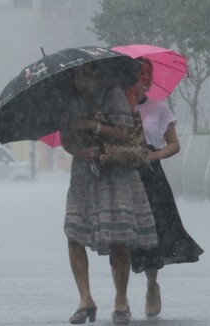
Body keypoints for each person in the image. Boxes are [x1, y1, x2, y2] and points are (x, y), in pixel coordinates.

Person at [60, 63, 158, 325]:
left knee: (119, 239)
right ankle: (85, 299)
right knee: (74, 234)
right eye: (75, 75)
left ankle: (121, 300)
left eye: (83, 73)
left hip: (115, 174)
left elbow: (123, 132)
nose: (80, 80)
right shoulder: (70, 100)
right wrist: (79, 151)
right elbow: (65, 138)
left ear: (94, 73)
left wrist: (93, 126)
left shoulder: (113, 94)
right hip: (82, 177)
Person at [125, 59, 203, 318]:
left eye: (148, 74)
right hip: (123, 174)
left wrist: (152, 156)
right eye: (140, 74)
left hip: (150, 176)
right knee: (122, 236)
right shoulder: (116, 106)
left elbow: (173, 144)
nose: (145, 78)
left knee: (153, 233)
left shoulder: (158, 108)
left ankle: (151, 285)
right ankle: (120, 297)